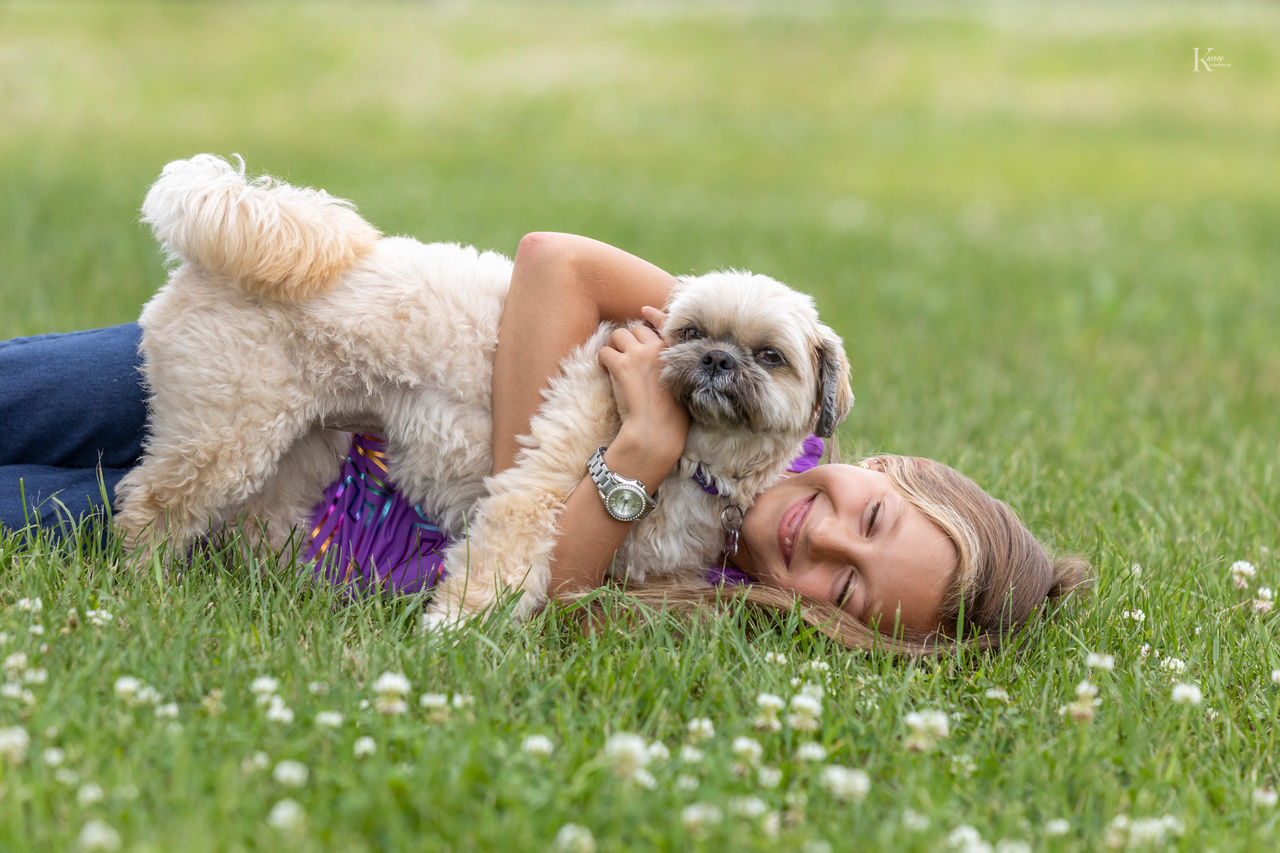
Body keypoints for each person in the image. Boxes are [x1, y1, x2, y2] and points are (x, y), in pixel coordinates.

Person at [0, 232, 1087, 654]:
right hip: (290, 352)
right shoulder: (763, 348)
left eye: (845, 591)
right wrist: (572, 462)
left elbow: (538, 594)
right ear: (874, 460)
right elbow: (553, 262)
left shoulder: (702, 610)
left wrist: (646, 449)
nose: (826, 542)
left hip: (271, 513)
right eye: (873, 517)